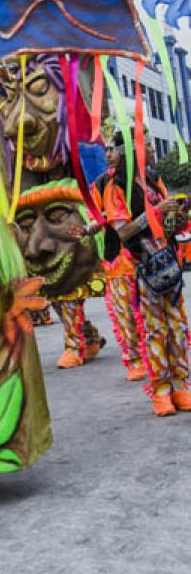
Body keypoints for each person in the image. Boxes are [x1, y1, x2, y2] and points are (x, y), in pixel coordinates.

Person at [103, 132, 189, 416]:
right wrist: (154, 212)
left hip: (169, 265)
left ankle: (181, 385)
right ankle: (161, 391)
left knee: (177, 328)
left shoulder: (155, 180)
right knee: (154, 331)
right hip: (144, 268)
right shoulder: (116, 188)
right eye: (147, 144)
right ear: (133, 150)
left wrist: (178, 215)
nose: (152, 149)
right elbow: (123, 230)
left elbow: (167, 225)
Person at [90, 138, 146, 382]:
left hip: (149, 258)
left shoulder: (149, 179)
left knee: (150, 314)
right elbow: (97, 215)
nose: (109, 153)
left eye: (114, 149)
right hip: (119, 260)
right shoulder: (104, 184)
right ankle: (134, 360)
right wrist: (91, 225)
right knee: (125, 314)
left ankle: (155, 357)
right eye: (108, 149)